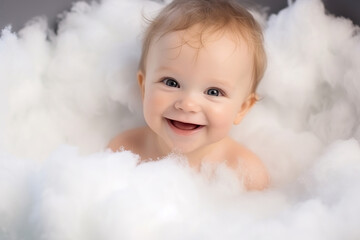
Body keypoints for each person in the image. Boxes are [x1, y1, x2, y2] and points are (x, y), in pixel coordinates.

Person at [108, 0, 269, 190]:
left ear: (242, 108)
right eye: (171, 83)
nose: (187, 104)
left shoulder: (245, 175)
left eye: (213, 92)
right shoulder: (124, 151)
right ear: (144, 88)